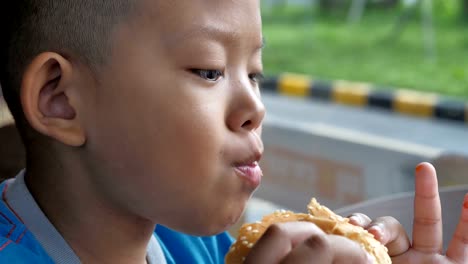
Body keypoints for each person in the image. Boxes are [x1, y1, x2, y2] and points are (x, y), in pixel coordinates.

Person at [0, 1, 466, 263]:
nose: (254, 108)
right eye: (209, 70)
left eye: (255, 74)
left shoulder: (206, 248)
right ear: (60, 99)